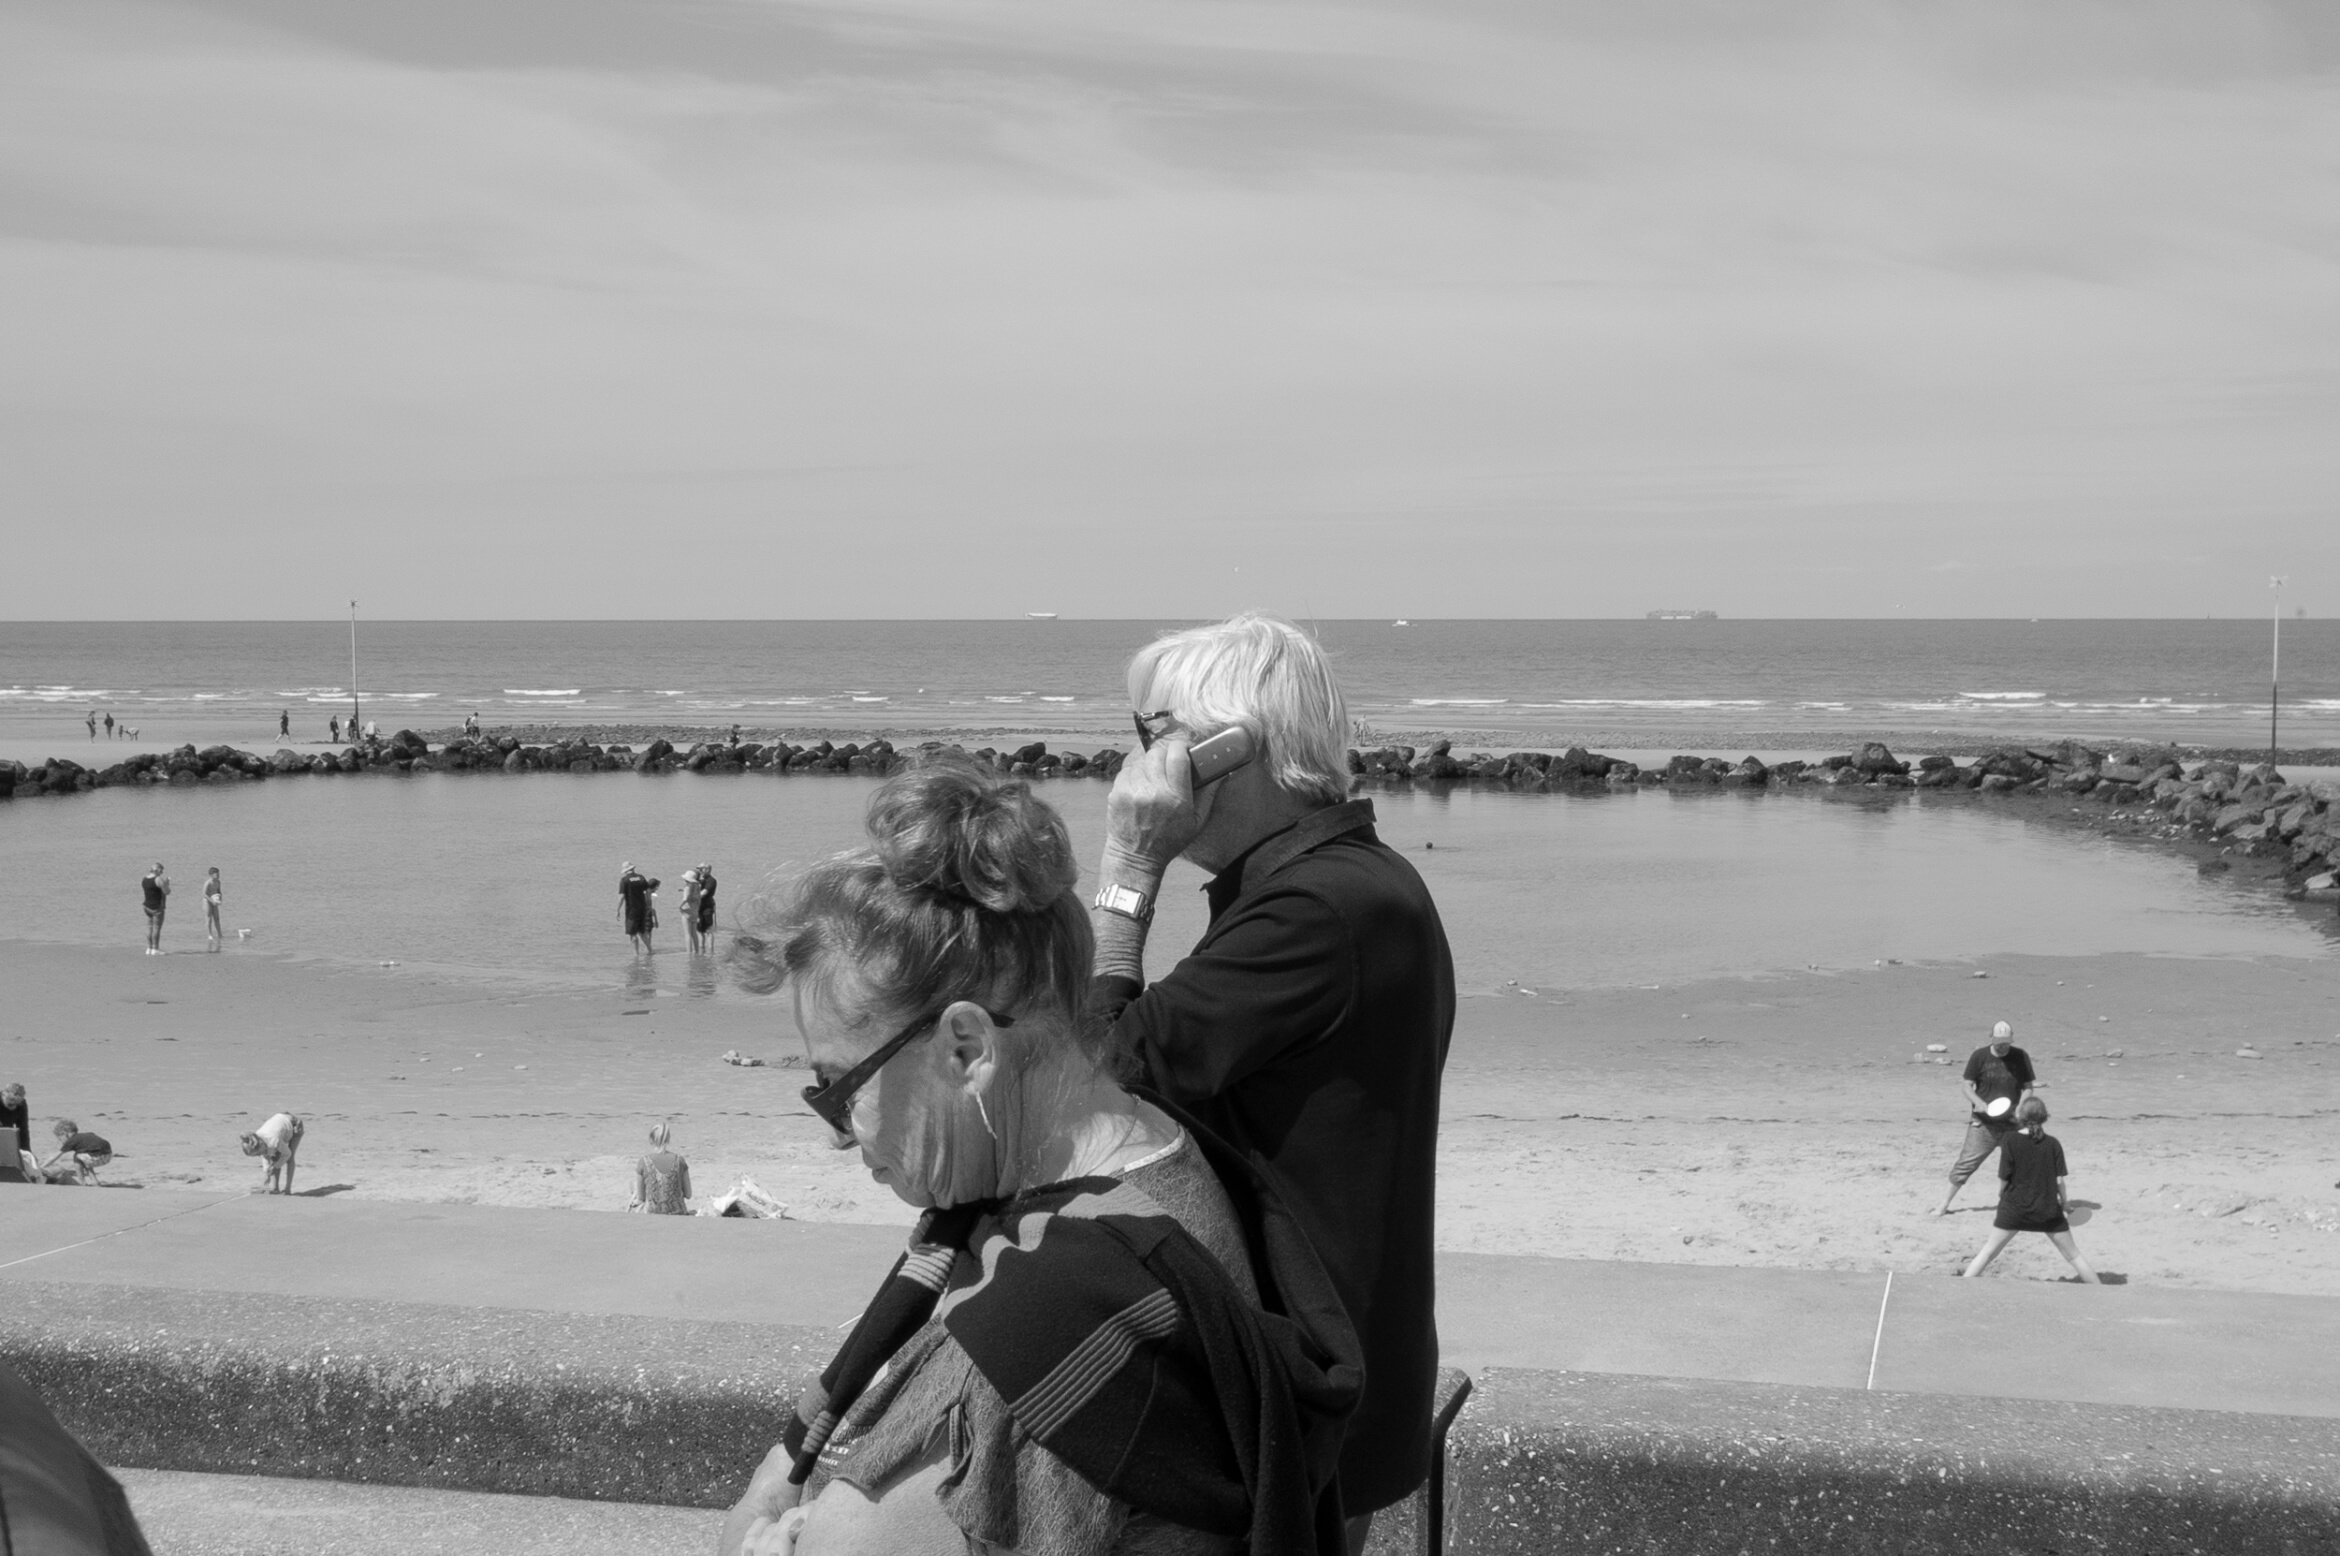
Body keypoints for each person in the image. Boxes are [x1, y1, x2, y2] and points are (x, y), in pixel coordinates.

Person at [719, 755, 1360, 1556]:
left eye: (838, 1088)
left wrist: (766, 1528)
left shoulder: (1039, 1336)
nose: (837, 1132)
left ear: (965, 1049)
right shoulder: (1162, 1153)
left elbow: (842, 1539)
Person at [1088, 614, 1453, 1549]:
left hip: (1299, 1393)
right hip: (1333, 1370)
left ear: (1229, 747)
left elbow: (1097, 1078)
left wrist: (1128, 870)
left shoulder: (1313, 911)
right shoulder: (1351, 884)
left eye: (1153, 734)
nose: (1137, 763)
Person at [1961, 1097, 2102, 1282]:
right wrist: (2065, 1204)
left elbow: (2004, 1177)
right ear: (2044, 1117)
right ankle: (2100, 1290)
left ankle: (1961, 1287)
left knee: (1988, 1253)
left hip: (2013, 1209)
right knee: (2074, 1256)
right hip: (2047, 1211)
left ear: (2020, 1116)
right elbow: (2059, 1181)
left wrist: (2001, 1194)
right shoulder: (2053, 1144)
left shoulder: (2009, 1139)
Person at [1934, 1020, 2038, 1217]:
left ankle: (2015, 1202)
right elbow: (1966, 1085)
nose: (2002, 1046)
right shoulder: (1979, 1056)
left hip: (2013, 1123)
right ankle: (1943, 1204)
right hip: (1984, 1124)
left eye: (2006, 1042)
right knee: (1966, 1164)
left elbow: (2028, 1087)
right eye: (1999, 1042)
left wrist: (2021, 1107)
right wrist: (1978, 1102)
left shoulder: (2020, 1056)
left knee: (2022, 1165)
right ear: (1991, 1038)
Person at [630, 1121, 693, 1213]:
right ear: (668, 1139)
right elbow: (688, 1195)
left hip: (652, 1214)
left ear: (651, 1140)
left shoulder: (643, 1162)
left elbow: (641, 1198)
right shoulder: (679, 1161)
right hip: (678, 1213)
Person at [238, 1112, 305, 1194]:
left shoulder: (273, 1140)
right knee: (275, 1158)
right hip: (281, 1126)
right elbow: (266, 1163)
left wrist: (276, 1167)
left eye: (258, 1153)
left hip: (295, 1125)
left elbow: (287, 1154)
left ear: (260, 1145)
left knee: (289, 1158)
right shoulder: (258, 1140)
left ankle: (287, 1189)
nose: (259, 1155)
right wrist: (265, 1182)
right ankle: (275, 1188)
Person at [44, 1120, 112, 1185]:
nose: (61, 1142)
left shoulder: (72, 1140)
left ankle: (82, 1182)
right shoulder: (82, 1137)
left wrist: (42, 1167)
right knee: (84, 1158)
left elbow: (55, 1157)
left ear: (64, 1134)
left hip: (99, 1156)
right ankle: (95, 1182)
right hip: (108, 1155)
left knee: (77, 1156)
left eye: (60, 1139)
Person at [619, 862, 659, 955]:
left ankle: (636, 955)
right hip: (642, 909)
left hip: (631, 910)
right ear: (633, 869)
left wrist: (618, 910)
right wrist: (648, 903)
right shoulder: (641, 877)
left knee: (633, 934)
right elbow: (648, 891)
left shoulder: (624, 880)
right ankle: (650, 950)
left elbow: (621, 896)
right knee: (643, 932)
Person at [140, 863, 170, 955]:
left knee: (149, 927)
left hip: (147, 905)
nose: (162, 872)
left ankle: (149, 948)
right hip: (156, 907)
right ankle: (155, 948)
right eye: (161, 870)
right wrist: (166, 884)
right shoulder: (158, 879)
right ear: (156, 870)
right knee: (156, 928)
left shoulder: (144, 879)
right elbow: (167, 892)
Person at [679, 869, 708, 956]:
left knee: (687, 933)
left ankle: (689, 952)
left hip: (686, 910)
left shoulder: (687, 887)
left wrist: (680, 906)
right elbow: (697, 898)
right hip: (695, 911)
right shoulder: (697, 886)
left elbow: (686, 898)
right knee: (694, 933)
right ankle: (696, 951)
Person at [696, 861, 719, 949]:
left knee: (708, 930)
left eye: (701, 869)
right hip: (698, 906)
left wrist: (692, 897)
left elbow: (704, 892)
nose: (700, 871)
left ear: (707, 870)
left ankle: (710, 950)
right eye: (699, 869)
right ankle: (701, 950)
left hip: (707, 907)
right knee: (699, 930)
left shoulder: (711, 881)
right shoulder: (699, 881)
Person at [202, 867, 224, 952]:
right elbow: (204, 894)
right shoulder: (208, 883)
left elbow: (219, 891)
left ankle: (219, 934)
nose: (218, 875)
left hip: (215, 900)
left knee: (217, 918)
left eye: (218, 874)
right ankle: (209, 935)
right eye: (216, 874)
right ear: (211, 875)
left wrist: (220, 899)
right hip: (207, 901)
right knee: (208, 918)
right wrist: (211, 901)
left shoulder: (218, 882)